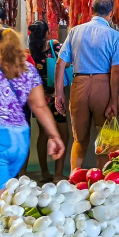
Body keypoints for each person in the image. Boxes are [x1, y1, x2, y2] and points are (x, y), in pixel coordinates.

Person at [0, 22, 65, 194]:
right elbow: (39, 106)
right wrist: (54, 136)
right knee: (5, 196)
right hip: (20, 141)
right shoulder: (26, 68)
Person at [55, 0, 119, 171]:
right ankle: (102, 182)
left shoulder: (75, 31)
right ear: (111, 13)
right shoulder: (114, 36)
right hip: (103, 86)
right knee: (107, 139)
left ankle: (74, 178)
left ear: (92, 11)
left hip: (78, 84)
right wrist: (113, 101)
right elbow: (116, 71)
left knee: (79, 139)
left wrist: (59, 94)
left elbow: (60, 64)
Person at [29, 20, 71, 183]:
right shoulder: (53, 45)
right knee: (63, 133)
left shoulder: (31, 49)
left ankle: (44, 172)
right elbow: (64, 63)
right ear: (47, 32)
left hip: (37, 95)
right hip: (54, 94)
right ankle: (59, 174)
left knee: (43, 134)